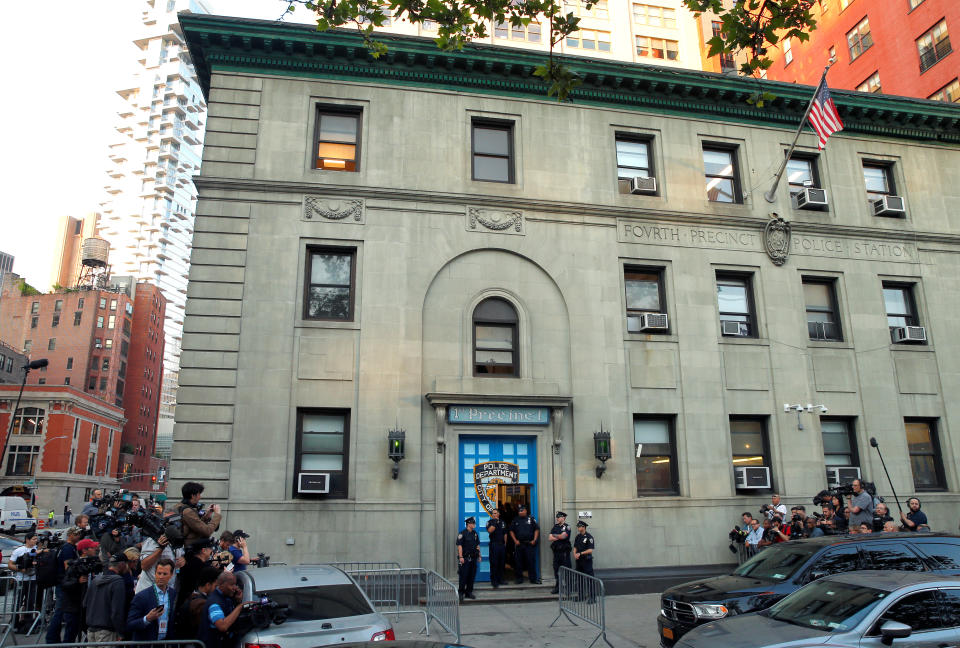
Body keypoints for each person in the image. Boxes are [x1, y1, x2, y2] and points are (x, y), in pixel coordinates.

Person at [59, 538, 100, 644]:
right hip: (74, 607)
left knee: (91, 634)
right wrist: (77, 581)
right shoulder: (74, 566)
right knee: (70, 636)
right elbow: (64, 584)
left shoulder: (92, 563)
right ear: (84, 550)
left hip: (87, 607)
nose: (95, 549)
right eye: (92, 547)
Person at [84, 553, 131, 643]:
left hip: (91, 630)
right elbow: (117, 612)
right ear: (122, 564)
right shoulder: (118, 582)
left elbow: (85, 605)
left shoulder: (95, 581)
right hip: (107, 632)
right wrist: (121, 632)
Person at [45, 527, 81, 643]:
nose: (78, 536)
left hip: (63, 583)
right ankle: (51, 638)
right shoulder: (67, 549)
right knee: (60, 611)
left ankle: (53, 638)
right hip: (64, 584)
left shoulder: (67, 547)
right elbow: (68, 567)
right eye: (76, 534)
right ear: (70, 535)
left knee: (60, 611)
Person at [127, 558, 177, 642]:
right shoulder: (142, 596)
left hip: (165, 642)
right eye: (159, 573)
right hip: (146, 643)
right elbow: (130, 624)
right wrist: (147, 619)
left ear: (171, 575)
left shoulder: (173, 594)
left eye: (165, 574)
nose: (161, 577)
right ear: (155, 574)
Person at [201, 571, 251, 648]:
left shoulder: (226, 597)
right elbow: (222, 626)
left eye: (235, 584)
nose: (235, 588)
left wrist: (238, 601)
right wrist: (239, 607)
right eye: (232, 585)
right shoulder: (214, 603)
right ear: (221, 585)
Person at [175, 566, 220, 640]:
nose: (217, 589)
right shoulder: (200, 604)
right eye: (215, 586)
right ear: (208, 585)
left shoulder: (192, 597)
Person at [9, 532, 40, 633]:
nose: (36, 541)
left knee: (30, 602)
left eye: (36, 539)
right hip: (21, 580)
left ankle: (28, 624)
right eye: (34, 539)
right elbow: (10, 564)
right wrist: (20, 569)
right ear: (27, 539)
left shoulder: (38, 550)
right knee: (17, 602)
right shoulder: (19, 550)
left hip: (33, 580)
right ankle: (14, 622)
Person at [177, 482, 222, 550]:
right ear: (193, 496)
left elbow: (194, 526)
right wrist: (217, 514)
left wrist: (207, 516)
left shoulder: (180, 506)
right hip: (190, 550)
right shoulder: (187, 511)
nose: (200, 497)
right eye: (199, 494)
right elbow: (207, 531)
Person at [508, 504, 539, 584]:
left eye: (521, 510)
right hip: (519, 544)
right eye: (519, 511)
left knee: (531, 562)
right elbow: (511, 530)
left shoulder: (531, 519)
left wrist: (534, 540)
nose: (520, 512)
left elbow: (536, 529)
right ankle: (519, 579)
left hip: (529, 544)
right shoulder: (515, 520)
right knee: (518, 562)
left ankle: (533, 579)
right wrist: (515, 541)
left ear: (525, 511)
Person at [456, 516, 480, 601]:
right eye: (473, 523)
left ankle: (469, 592)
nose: (474, 525)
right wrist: (461, 557)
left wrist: (479, 556)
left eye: (474, 523)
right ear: (468, 524)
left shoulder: (475, 533)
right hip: (465, 558)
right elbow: (460, 546)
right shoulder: (462, 534)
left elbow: (477, 545)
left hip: (473, 558)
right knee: (463, 576)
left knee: (471, 576)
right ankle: (461, 592)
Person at [548, 511, 572, 594]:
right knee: (556, 570)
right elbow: (550, 538)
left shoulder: (567, 527)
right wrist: (559, 536)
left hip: (564, 553)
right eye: (557, 517)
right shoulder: (555, 526)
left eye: (558, 517)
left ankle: (569, 589)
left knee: (567, 571)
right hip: (556, 552)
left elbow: (564, 536)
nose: (557, 518)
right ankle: (558, 587)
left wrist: (555, 535)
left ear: (563, 518)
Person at [572, 520, 596, 602]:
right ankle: (581, 596)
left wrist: (580, 553)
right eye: (578, 526)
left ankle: (592, 597)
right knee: (579, 579)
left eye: (579, 526)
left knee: (590, 579)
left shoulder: (589, 537)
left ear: (583, 527)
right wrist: (574, 554)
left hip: (586, 561)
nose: (578, 528)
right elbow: (575, 546)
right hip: (579, 561)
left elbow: (590, 550)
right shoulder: (578, 537)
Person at [485, 508, 507, 589]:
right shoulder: (489, 522)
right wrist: (494, 522)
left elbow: (505, 533)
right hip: (494, 545)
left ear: (499, 514)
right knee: (494, 563)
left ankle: (500, 579)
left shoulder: (503, 522)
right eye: (493, 513)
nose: (494, 514)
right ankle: (494, 581)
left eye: (495, 513)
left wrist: (505, 544)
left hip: (502, 545)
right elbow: (490, 531)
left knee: (501, 563)